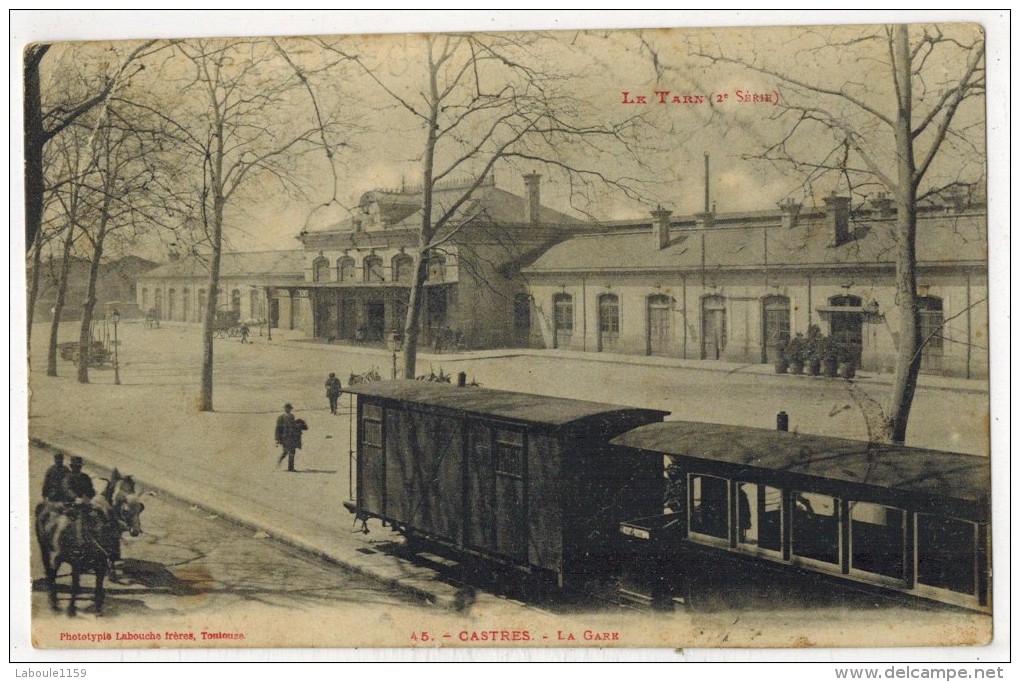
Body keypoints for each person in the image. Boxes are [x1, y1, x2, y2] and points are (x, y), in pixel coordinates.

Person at [275, 403, 307, 472]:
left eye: (289, 408)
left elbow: (294, 425)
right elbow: (278, 428)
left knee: (292, 451)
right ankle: (280, 461)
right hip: (285, 437)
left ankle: (291, 467)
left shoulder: (292, 416)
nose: (288, 410)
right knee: (286, 451)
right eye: (287, 408)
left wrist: (298, 426)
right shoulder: (281, 417)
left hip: (292, 436)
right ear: (285, 409)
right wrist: (277, 438)